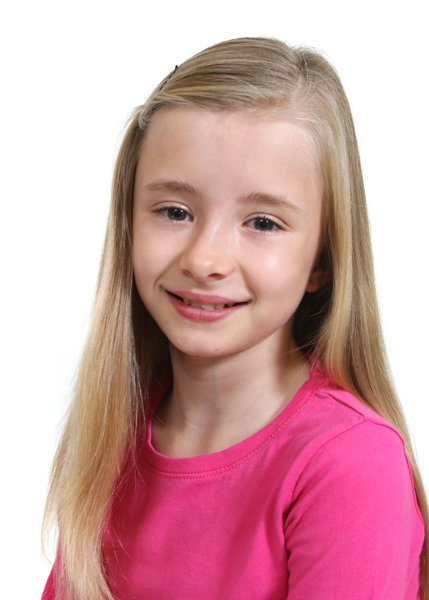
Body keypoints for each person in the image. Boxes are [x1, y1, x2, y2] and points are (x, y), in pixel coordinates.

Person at [42, 37, 428, 599]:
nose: (205, 260)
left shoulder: (350, 464)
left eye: (263, 223)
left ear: (323, 258)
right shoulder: (112, 435)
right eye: (175, 211)